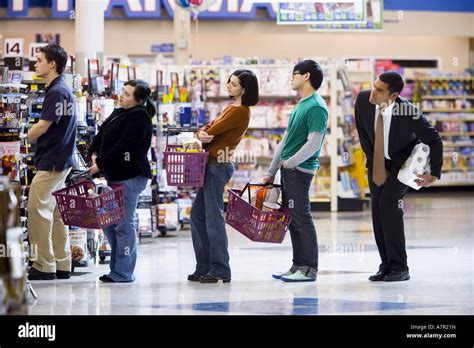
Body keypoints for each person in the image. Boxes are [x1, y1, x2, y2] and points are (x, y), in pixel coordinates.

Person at [354, 71, 443, 282]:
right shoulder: (363, 101)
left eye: (379, 90)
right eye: (374, 85)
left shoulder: (409, 111)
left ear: (393, 96)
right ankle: (385, 265)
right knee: (377, 209)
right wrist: (376, 163)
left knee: (388, 204)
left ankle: (400, 267)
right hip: (377, 162)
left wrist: (435, 174)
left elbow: (434, 139)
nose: (373, 92)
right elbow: (364, 134)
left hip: (402, 164)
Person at [188, 69, 259, 283]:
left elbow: (212, 131)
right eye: (229, 82)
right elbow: (207, 129)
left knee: (213, 217)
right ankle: (205, 266)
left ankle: (219, 268)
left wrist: (203, 133)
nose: (229, 86)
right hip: (211, 164)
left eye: (234, 84)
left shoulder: (240, 111)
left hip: (217, 165)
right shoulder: (231, 108)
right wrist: (202, 133)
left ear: (245, 89)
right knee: (198, 216)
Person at [263, 60, 328, 282]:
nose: (291, 79)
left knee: (302, 217)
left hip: (300, 170)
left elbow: (314, 142)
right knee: (292, 218)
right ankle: (298, 265)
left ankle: (309, 268)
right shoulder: (301, 104)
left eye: (294, 74)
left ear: (306, 76)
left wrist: (291, 163)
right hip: (289, 170)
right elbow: (286, 140)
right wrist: (272, 170)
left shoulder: (317, 106)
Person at [88, 79, 155, 283]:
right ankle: (116, 269)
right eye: (122, 92)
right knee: (110, 223)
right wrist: (94, 153)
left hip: (131, 176)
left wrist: (99, 163)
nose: (122, 96)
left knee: (123, 224)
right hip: (114, 175)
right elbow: (101, 134)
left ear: (138, 100)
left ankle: (124, 272)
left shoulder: (140, 117)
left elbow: (125, 146)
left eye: (127, 94)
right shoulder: (120, 112)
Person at [27, 44, 77, 281]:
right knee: (56, 214)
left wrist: (20, 136)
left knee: (37, 211)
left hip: (52, 161)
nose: (35, 64)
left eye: (39, 60)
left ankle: (44, 265)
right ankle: (61, 262)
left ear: (52, 64)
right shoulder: (62, 90)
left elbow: (43, 126)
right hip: (62, 160)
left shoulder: (57, 91)